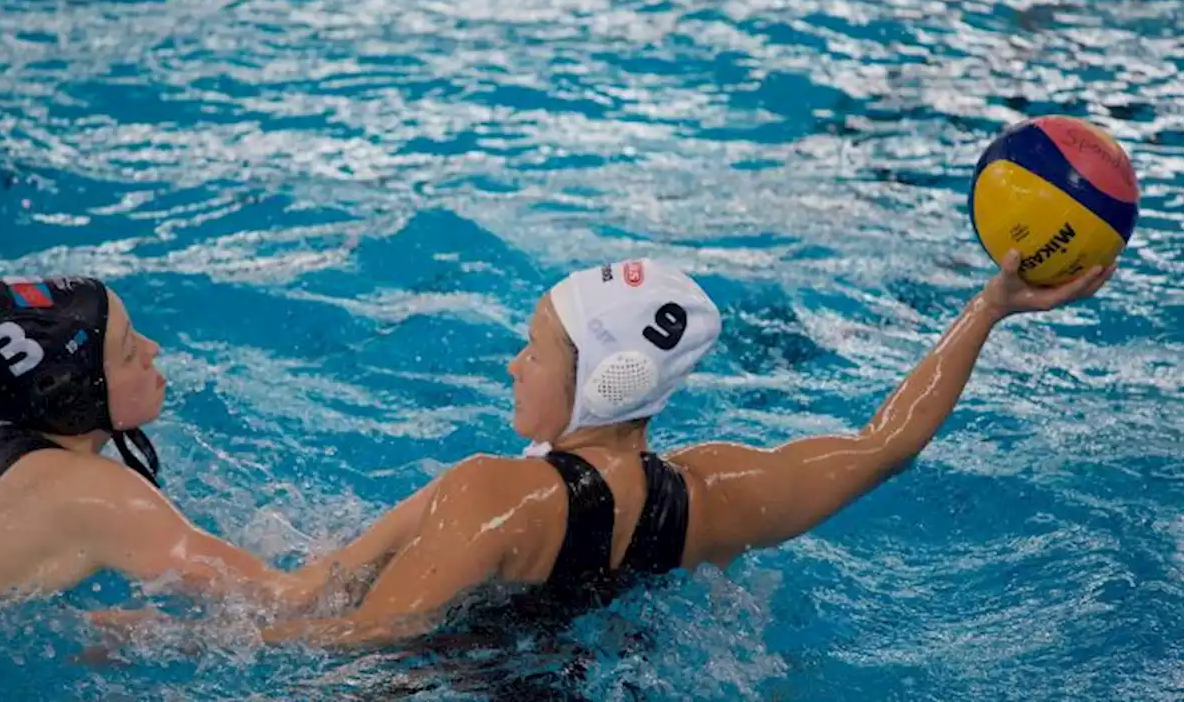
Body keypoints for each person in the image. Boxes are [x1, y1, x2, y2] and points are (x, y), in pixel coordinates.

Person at [256, 251, 1115, 649]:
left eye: (535, 349)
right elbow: (884, 444)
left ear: (608, 378)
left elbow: (356, 642)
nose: (513, 362)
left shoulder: (489, 493)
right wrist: (989, 305)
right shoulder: (713, 495)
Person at [0, 276, 341, 622]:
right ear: (75, 396)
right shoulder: (95, 498)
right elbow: (296, 599)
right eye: (130, 352)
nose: (154, 350)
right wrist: (411, 518)